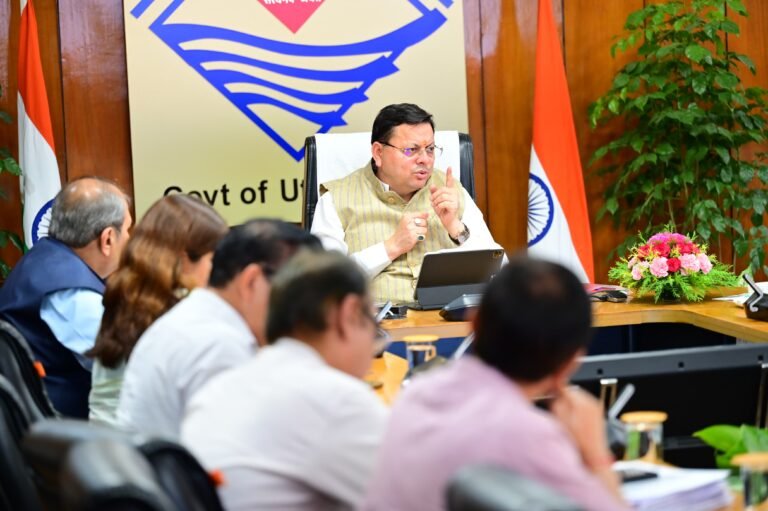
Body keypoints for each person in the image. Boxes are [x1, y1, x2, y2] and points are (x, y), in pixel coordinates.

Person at [362, 256, 628, 511]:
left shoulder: (417, 392)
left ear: (473, 322)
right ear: (571, 360)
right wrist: (596, 453)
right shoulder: (530, 435)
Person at [182, 250, 389, 511]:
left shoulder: (220, 387)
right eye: (373, 320)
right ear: (348, 315)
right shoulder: (338, 402)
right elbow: (414, 497)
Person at [116, 219, 321, 438]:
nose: (298, 312)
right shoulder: (220, 347)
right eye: (294, 292)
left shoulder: (197, 317)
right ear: (252, 281)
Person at [311, 103, 503, 304]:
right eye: (411, 150)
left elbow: (500, 270)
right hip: (377, 321)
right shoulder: (336, 199)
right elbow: (323, 284)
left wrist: (456, 228)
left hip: (448, 316)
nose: (425, 160)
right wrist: (391, 247)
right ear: (378, 153)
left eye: (430, 149)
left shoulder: (451, 192)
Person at [87, 194, 228, 426]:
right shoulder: (183, 311)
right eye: (212, 260)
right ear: (184, 260)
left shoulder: (125, 294)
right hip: (147, 443)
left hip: (106, 441)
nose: (217, 272)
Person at [0, 177, 132, 418]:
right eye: (127, 230)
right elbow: (124, 367)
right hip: (67, 428)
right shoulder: (72, 296)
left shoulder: (46, 257)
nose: (130, 239)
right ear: (108, 239)